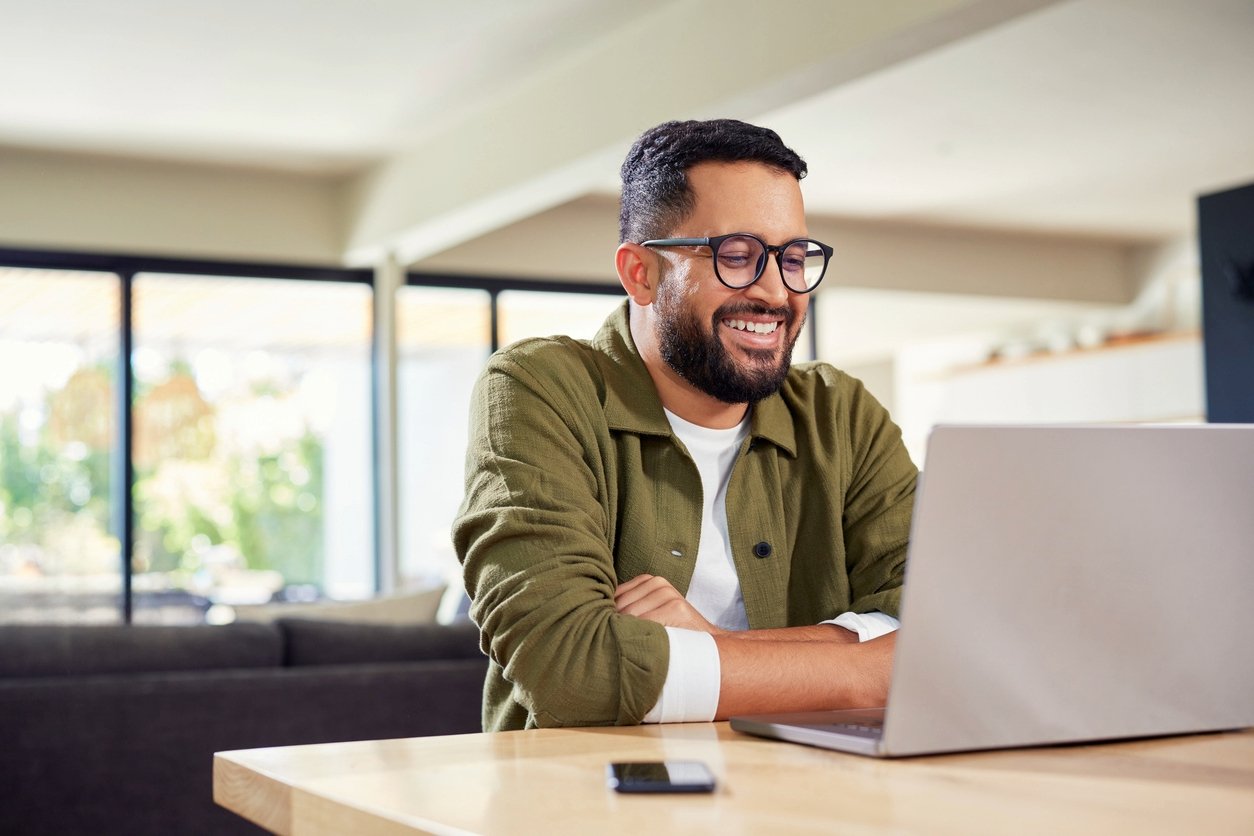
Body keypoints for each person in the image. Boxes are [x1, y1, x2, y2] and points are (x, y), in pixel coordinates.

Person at [453, 118, 917, 732]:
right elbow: (569, 668)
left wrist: (707, 646)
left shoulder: (843, 414)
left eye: (795, 257)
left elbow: (944, 627)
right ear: (641, 272)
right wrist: (869, 670)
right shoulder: (539, 389)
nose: (777, 292)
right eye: (737, 256)